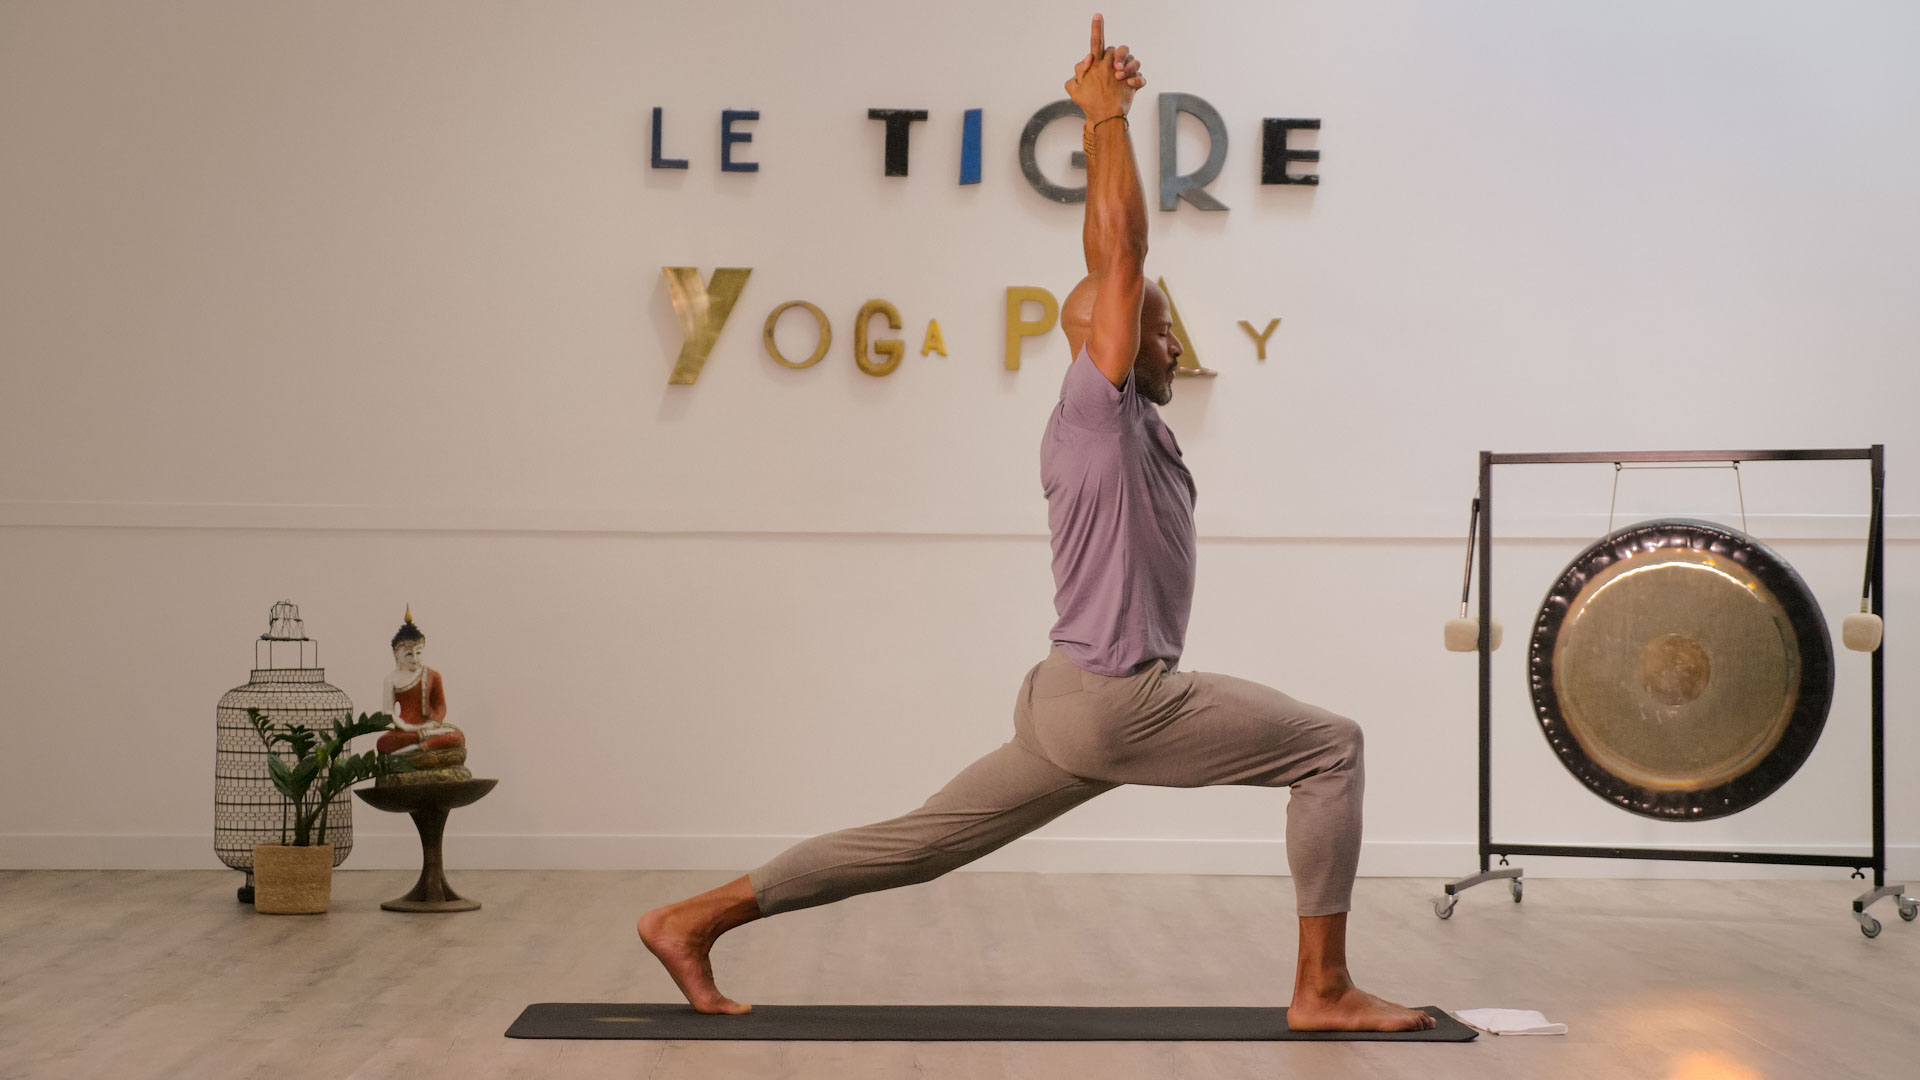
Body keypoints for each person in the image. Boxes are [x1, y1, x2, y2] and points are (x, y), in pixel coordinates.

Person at [639, 15, 1436, 1032]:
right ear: (1110, 337)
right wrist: (1104, 118)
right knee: (1331, 749)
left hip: (1065, 697)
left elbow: (1117, 266)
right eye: (1158, 330)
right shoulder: (1094, 410)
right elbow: (1122, 253)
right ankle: (1322, 991)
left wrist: (1105, 124)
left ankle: (690, 920)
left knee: (920, 845)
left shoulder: (1127, 425)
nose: (1174, 345)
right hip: (1119, 699)